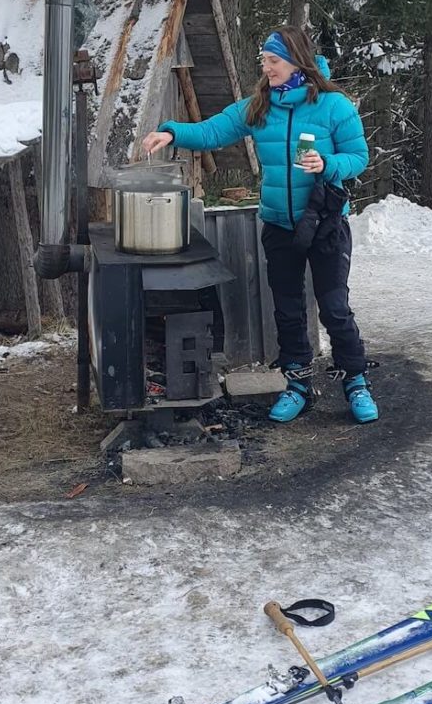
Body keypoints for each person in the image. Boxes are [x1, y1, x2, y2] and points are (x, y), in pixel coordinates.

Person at [142, 24, 378, 425]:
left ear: (297, 62)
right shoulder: (259, 106)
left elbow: (359, 156)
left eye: (274, 61)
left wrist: (328, 165)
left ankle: (355, 381)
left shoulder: (334, 106)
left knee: (334, 308)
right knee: (286, 310)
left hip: (325, 223)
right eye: (265, 61)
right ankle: (297, 384)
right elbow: (213, 130)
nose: (267, 68)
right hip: (279, 226)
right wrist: (171, 132)